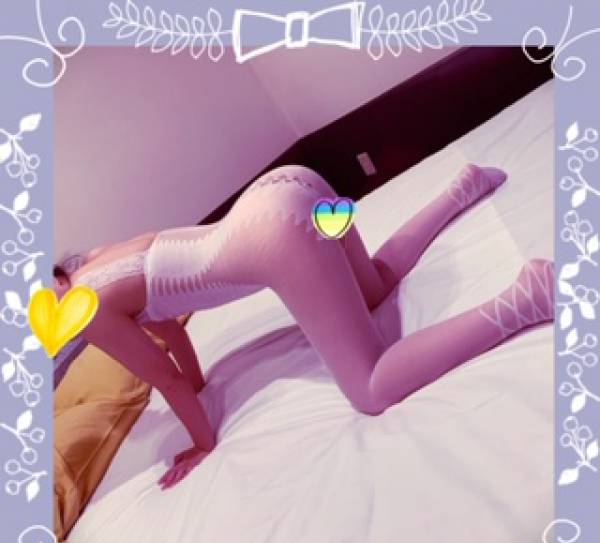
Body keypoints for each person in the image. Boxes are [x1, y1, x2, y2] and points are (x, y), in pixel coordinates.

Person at [54, 164, 554, 489]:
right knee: (376, 286)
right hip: (289, 185)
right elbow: (171, 328)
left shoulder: (85, 310)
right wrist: (200, 381)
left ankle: (525, 298)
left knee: (371, 388)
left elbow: (164, 378)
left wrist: (204, 444)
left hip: (275, 235)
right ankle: (462, 187)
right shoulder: (94, 260)